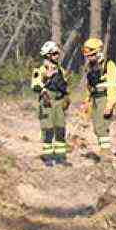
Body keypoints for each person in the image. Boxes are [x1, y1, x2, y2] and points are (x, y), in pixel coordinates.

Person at [30, 39, 71, 167]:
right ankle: (48, 158)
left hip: (59, 103)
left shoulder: (61, 70)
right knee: (48, 131)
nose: (57, 56)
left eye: (57, 53)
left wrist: (66, 98)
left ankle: (60, 157)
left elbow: (65, 86)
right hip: (47, 103)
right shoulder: (40, 70)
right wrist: (44, 91)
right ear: (47, 55)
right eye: (54, 54)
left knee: (60, 130)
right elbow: (35, 85)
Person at [80, 37, 116, 160]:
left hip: (105, 98)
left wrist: (110, 104)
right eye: (87, 55)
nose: (89, 57)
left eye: (91, 55)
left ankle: (106, 153)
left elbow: (113, 85)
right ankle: (104, 151)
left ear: (98, 52)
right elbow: (89, 87)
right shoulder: (91, 67)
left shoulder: (109, 65)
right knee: (97, 127)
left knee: (102, 127)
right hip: (95, 99)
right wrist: (87, 101)